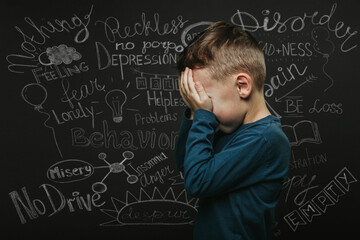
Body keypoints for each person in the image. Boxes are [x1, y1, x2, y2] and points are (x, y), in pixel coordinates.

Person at [175, 21, 291, 240]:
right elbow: (184, 163)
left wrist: (202, 116)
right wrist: (193, 113)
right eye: (198, 104)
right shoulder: (229, 128)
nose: (204, 110)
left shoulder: (266, 140)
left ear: (242, 86)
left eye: (206, 101)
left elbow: (197, 181)